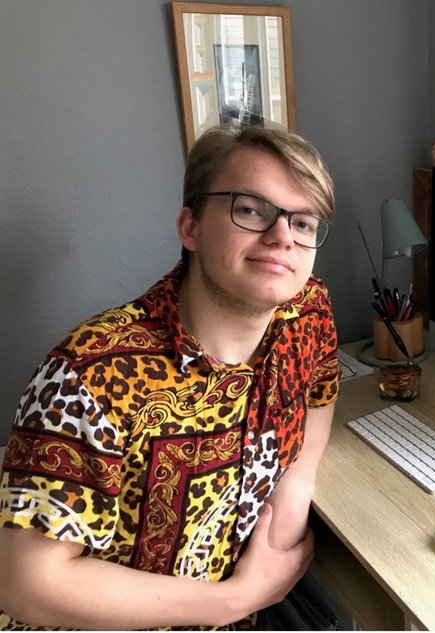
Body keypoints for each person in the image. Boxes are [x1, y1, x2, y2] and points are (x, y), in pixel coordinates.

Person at [0, 124, 340, 630]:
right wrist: (238, 599)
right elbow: (28, 584)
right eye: (250, 209)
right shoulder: (90, 373)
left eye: (304, 222)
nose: (282, 236)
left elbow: (320, 392)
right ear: (190, 227)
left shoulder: (306, 310)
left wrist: (293, 496)